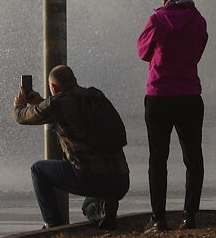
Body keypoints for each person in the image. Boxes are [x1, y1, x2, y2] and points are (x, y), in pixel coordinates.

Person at [13, 64, 130, 230]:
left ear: (53, 87)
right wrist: (42, 103)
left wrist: (19, 105)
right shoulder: (95, 95)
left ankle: (53, 225)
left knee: (38, 170)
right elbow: (72, 116)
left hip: (89, 177)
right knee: (89, 207)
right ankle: (104, 210)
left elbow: (22, 117)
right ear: (74, 80)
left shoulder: (57, 103)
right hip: (121, 180)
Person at [137, 0, 208, 232]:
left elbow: (143, 52)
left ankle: (159, 219)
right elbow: (197, 53)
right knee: (193, 157)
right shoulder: (198, 20)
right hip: (189, 94)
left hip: (159, 95)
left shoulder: (157, 19)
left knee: (158, 159)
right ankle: (190, 216)